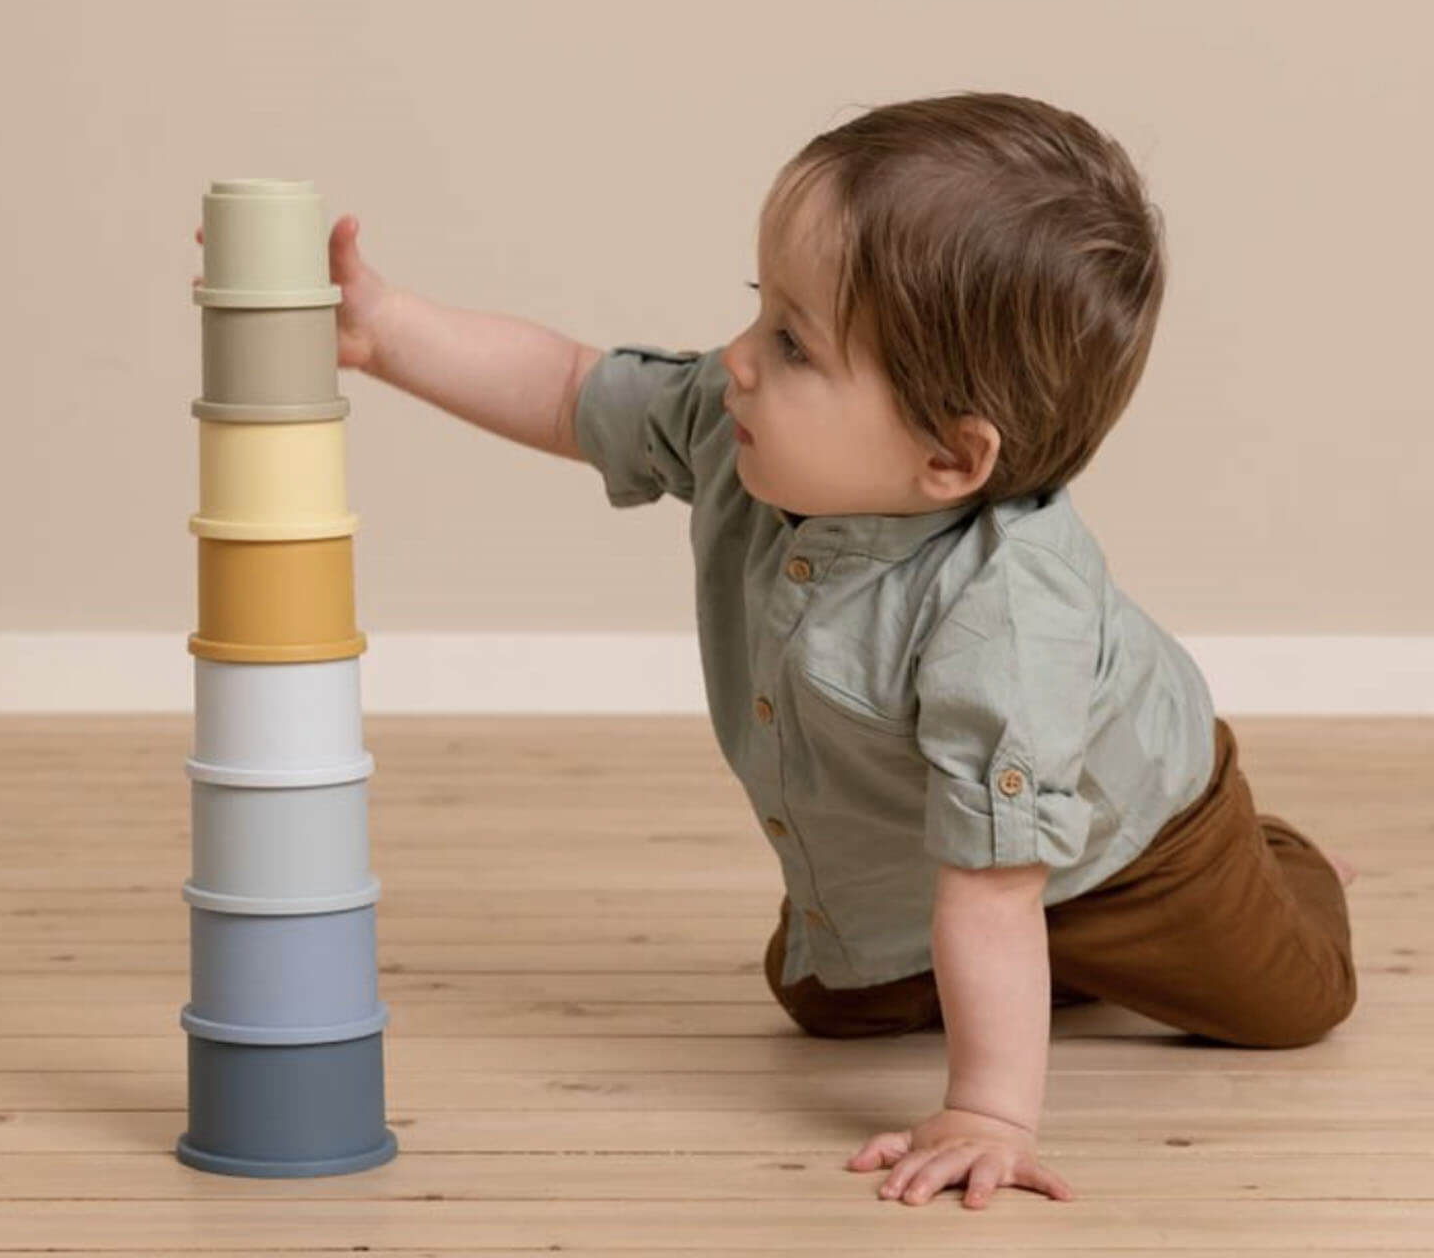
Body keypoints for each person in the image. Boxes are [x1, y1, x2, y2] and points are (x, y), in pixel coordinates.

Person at [216, 91, 1357, 1211]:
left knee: (1289, 999)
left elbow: (996, 886)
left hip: (1135, 839)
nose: (738, 358)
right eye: (760, 309)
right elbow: (572, 389)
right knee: (819, 1001)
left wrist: (988, 1112)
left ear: (951, 458)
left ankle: (1277, 854)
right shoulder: (739, 420)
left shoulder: (1005, 618)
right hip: (933, 855)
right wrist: (386, 331)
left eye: (793, 342)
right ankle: (1040, 981)